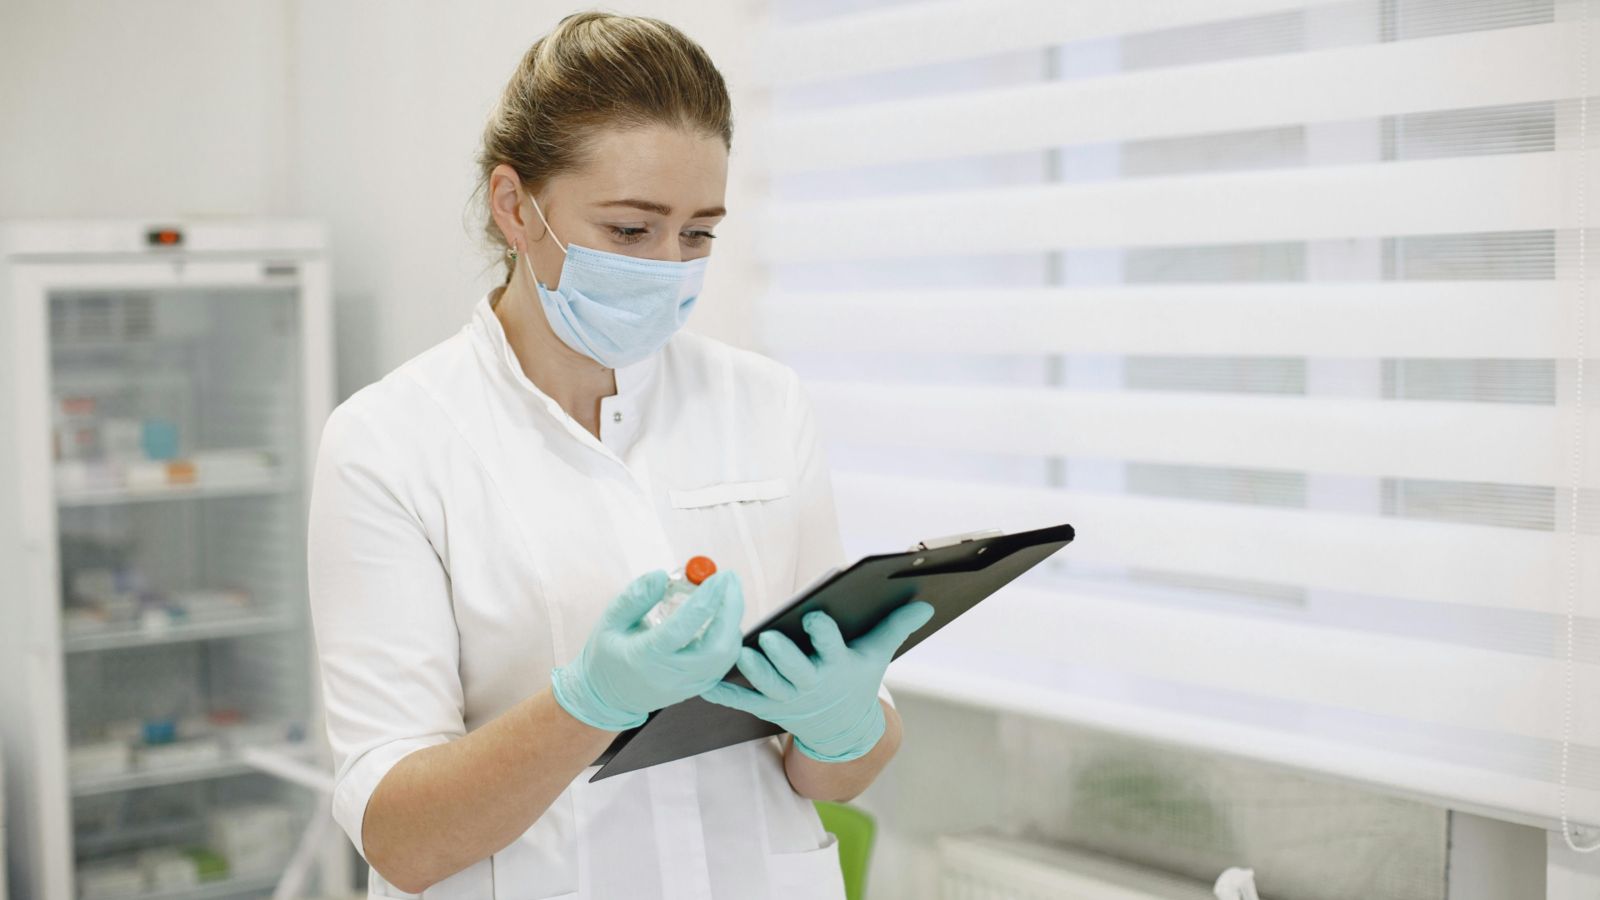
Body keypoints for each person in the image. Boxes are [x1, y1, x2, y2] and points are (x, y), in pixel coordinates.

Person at [306, 11, 932, 899]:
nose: (670, 266)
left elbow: (831, 769)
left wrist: (843, 726)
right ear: (515, 206)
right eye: (631, 232)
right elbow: (402, 840)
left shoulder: (764, 404)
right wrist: (587, 705)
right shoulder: (390, 442)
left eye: (699, 233)